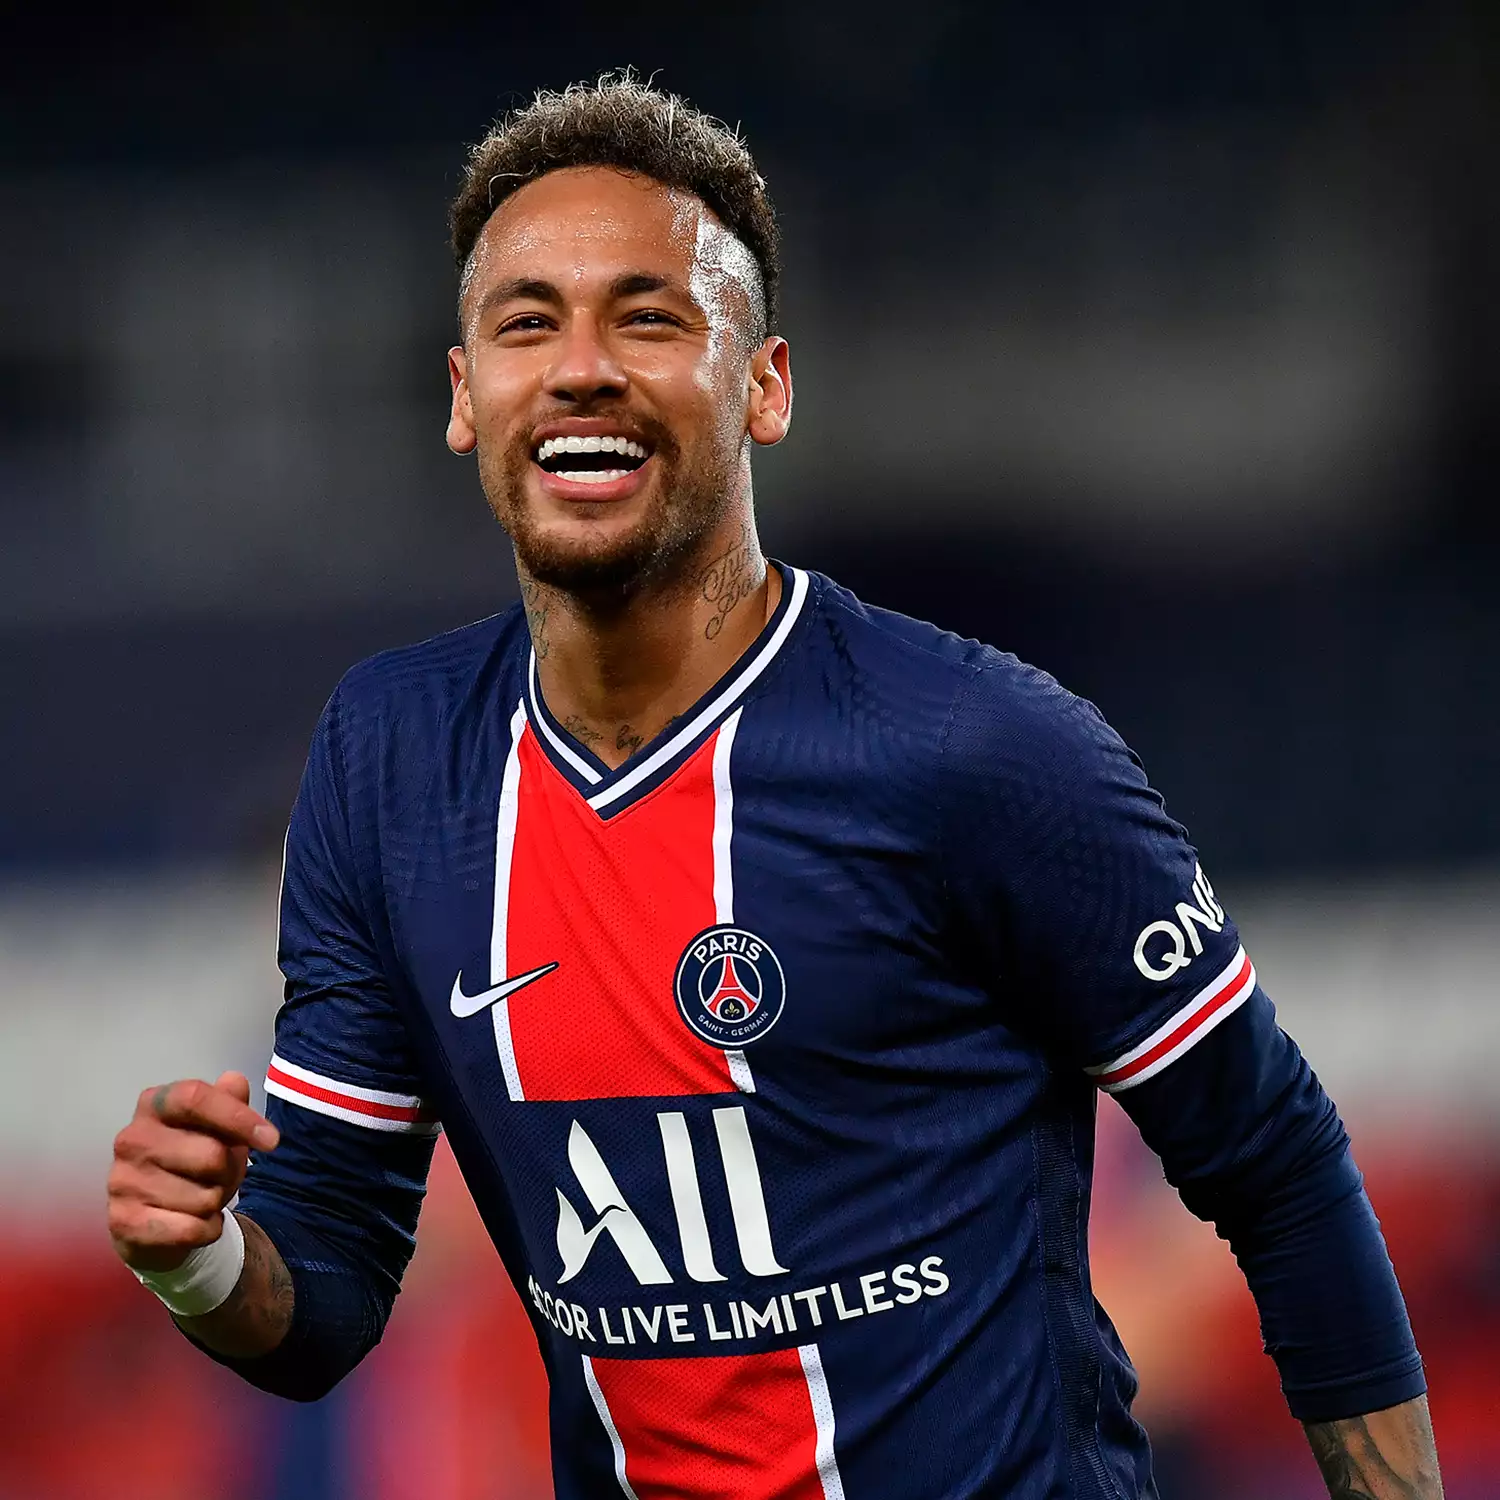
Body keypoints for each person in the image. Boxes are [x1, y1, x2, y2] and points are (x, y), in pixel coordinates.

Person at [106, 75, 1443, 1500]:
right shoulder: (389, 758)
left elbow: (1277, 1164)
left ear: (765, 385)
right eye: (527, 323)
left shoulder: (978, 745)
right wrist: (201, 1260)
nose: (580, 368)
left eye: (650, 316)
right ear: (464, 398)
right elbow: (327, 1283)